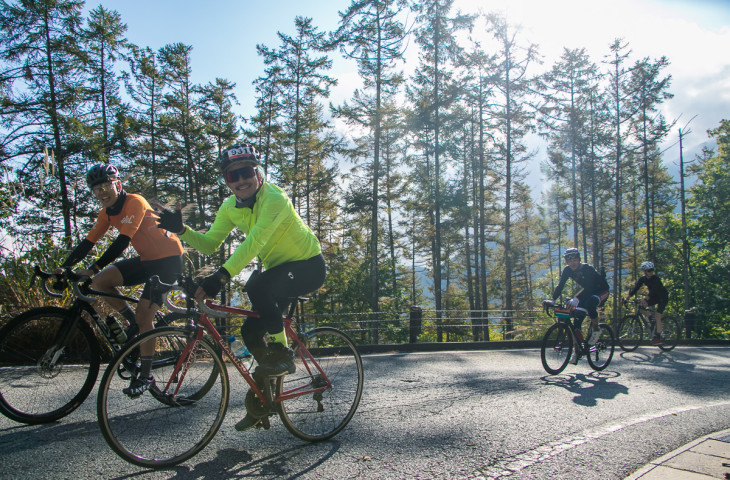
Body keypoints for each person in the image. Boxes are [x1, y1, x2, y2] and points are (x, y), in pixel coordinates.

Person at [155, 143, 326, 430]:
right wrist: (182, 230)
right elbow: (210, 243)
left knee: (257, 285)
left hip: (308, 265)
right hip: (279, 272)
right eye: (232, 177)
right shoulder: (229, 207)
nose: (240, 180)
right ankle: (266, 396)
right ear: (226, 181)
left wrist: (221, 276)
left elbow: (255, 241)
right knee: (249, 331)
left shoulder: (275, 197)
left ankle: (283, 358)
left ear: (257, 171)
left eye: (245, 172)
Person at [57, 163, 184, 397]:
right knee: (100, 282)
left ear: (118, 184)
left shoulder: (134, 201)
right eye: (96, 189)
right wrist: (64, 267)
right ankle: (132, 326)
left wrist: (93, 267)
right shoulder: (106, 212)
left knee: (144, 316)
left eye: (106, 185)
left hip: (169, 260)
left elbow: (123, 242)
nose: (102, 192)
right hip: (147, 259)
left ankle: (146, 375)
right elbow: (89, 241)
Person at [546, 248, 610, 364]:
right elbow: (560, 286)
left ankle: (596, 329)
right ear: (566, 262)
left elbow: (590, 287)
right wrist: (552, 300)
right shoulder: (567, 270)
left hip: (601, 290)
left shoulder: (587, 269)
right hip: (588, 293)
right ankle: (577, 351)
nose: (572, 263)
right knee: (576, 323)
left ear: (579, 259)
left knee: (590, 303)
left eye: (575, 260)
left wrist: (576, 299)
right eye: (569, 261)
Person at [624, 261, 669, 345]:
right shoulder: (643, 279)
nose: (651, 272)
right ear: (644, 271)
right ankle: (651, 321)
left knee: (658, 316)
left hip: (663, 297)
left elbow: (653, 292)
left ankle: (658, 337)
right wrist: (627, 298)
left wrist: (645, 298)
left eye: (652, 270)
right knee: (641, 306)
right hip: (655, 297)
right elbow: (635, 288)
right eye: (649, 270)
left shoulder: (656, 279)